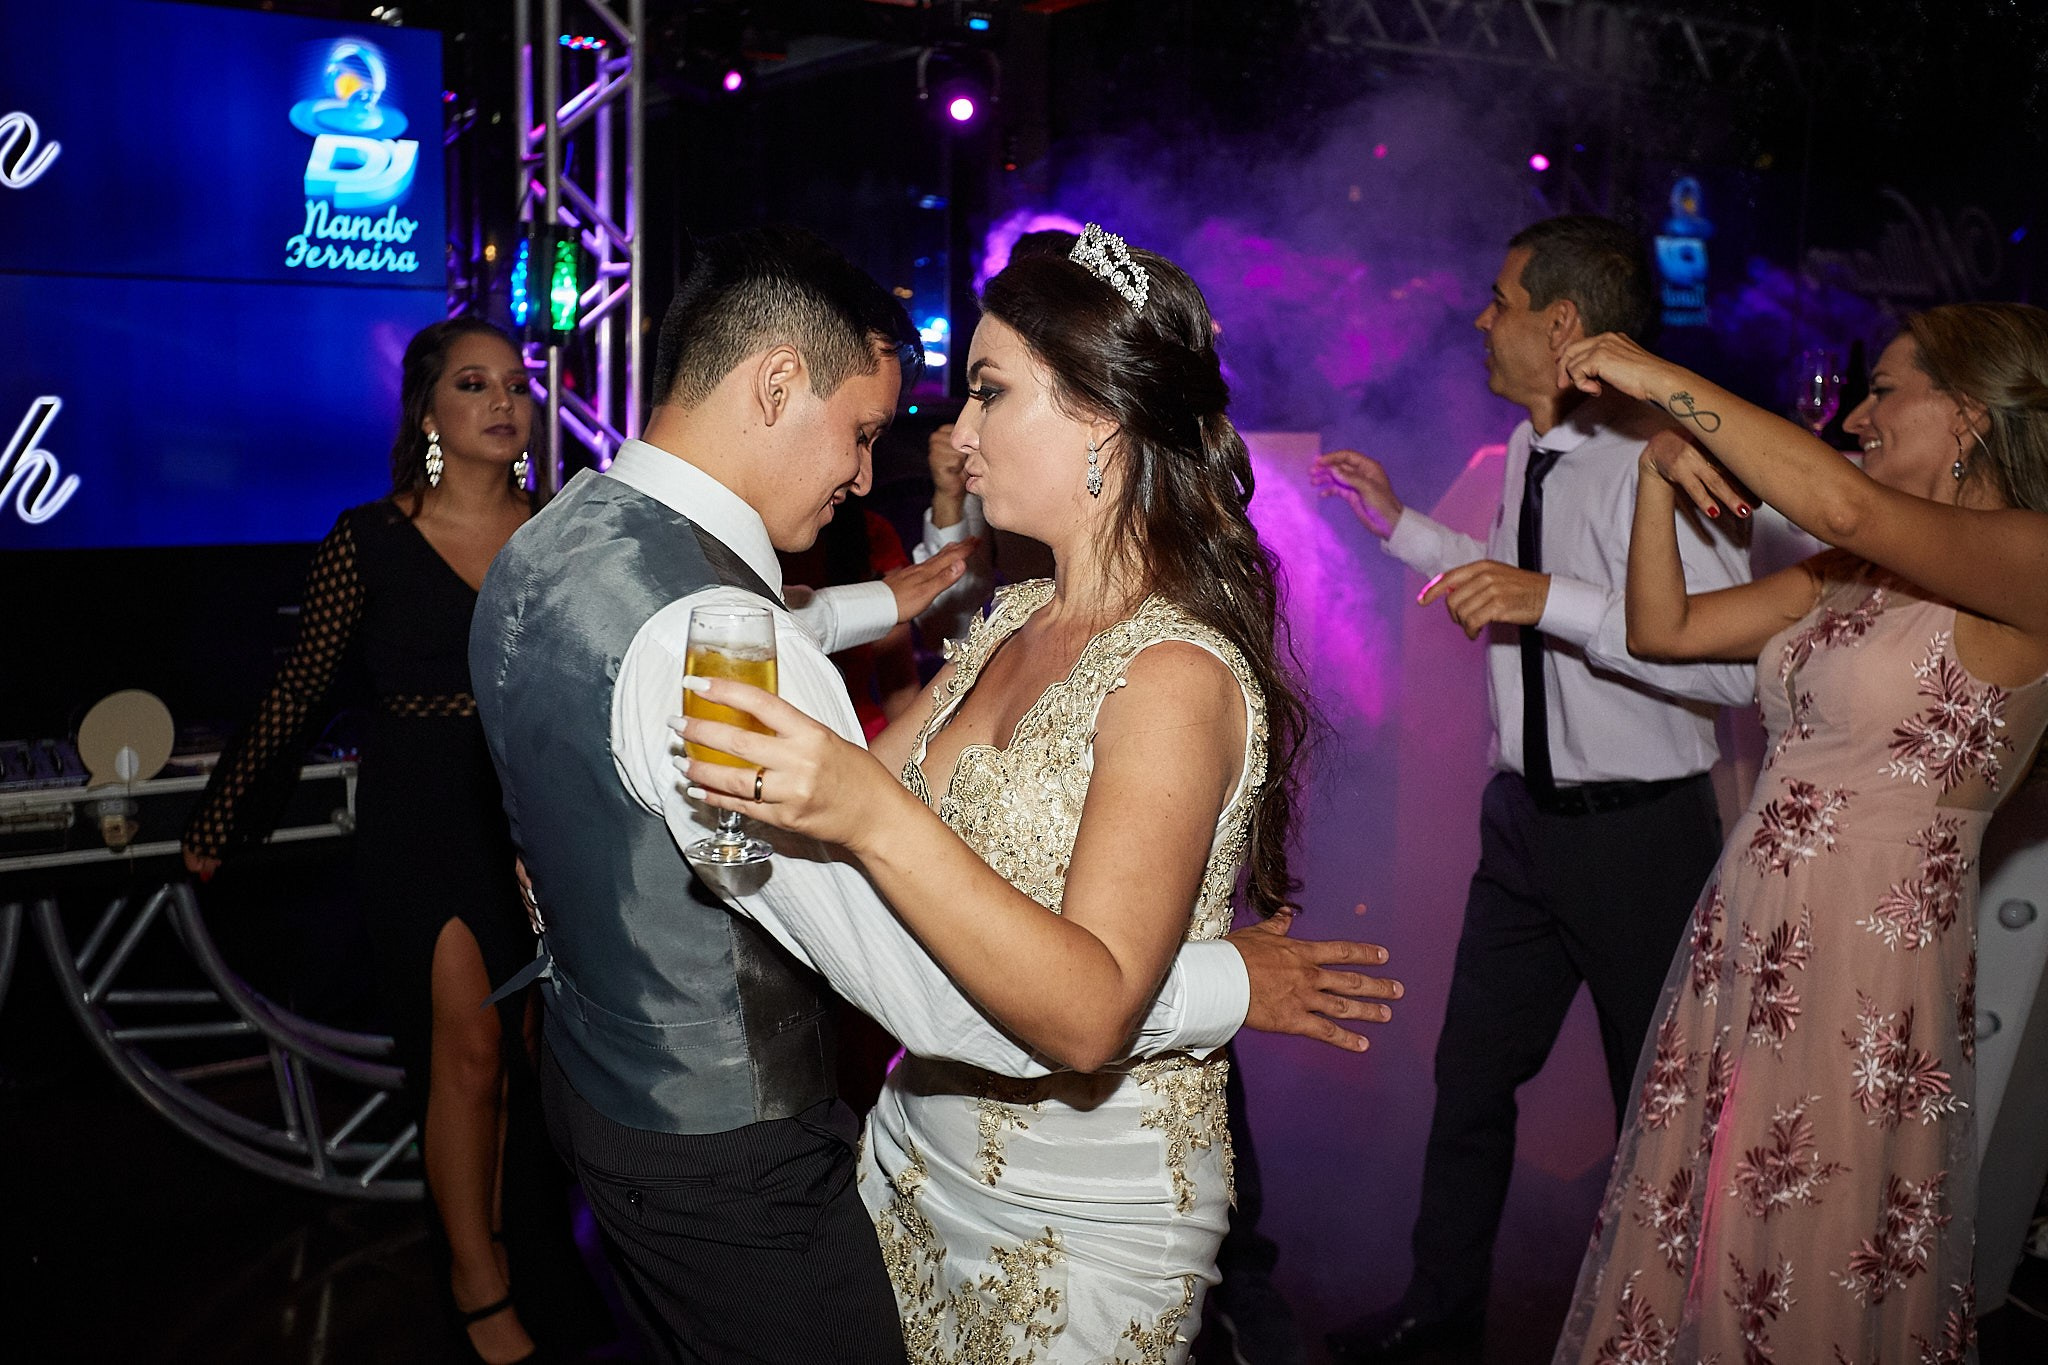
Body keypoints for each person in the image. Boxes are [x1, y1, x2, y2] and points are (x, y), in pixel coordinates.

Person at [470, 225, 1401, 1365]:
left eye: (988, 392)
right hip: (910, 1162)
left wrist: (848, 807)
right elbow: (835, 814)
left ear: (1102, 422)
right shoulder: (1011, 620)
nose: (952, 436)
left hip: (1075, 1220)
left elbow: (894, 841)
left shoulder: (1170, 674)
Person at [1548, 304, 2048, 1363]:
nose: (1856, 416)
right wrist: (1655, 473)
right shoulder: (1855, 572)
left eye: (1883, 391)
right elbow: (1663, 630)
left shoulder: (2033, 556)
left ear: (1966, 414)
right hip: (1754, 922)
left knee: (1813, 1226)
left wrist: (1647, 369)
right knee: (1709, 1209)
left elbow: (1843, 501)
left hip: (1870, 950)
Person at [1311, 216, 1753, 1363]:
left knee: (1653, 1110)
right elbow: (1504, 582)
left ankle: (1665, 1336)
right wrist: (1401, 529)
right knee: (1467, 1080)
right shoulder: (1524, 449)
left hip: (1637, 837)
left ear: (1561, 325)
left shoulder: (1660, 461)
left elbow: (1732, 664)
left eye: (1500, 300)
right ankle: (1437, 1316)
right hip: (1520, 826)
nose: (1479, 318)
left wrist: (1547, 599)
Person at [183, 318, 553, 1365]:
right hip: (423, 815)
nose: (503, 401)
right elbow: (300, 685)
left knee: (522, 1058)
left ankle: (506, 1243)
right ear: (427, 413)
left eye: (515, 383)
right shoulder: (370, 538)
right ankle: (475, 1282)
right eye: (473, 384)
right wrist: (221, 815)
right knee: (465, 1052)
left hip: (534, 818)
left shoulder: (556, 532)